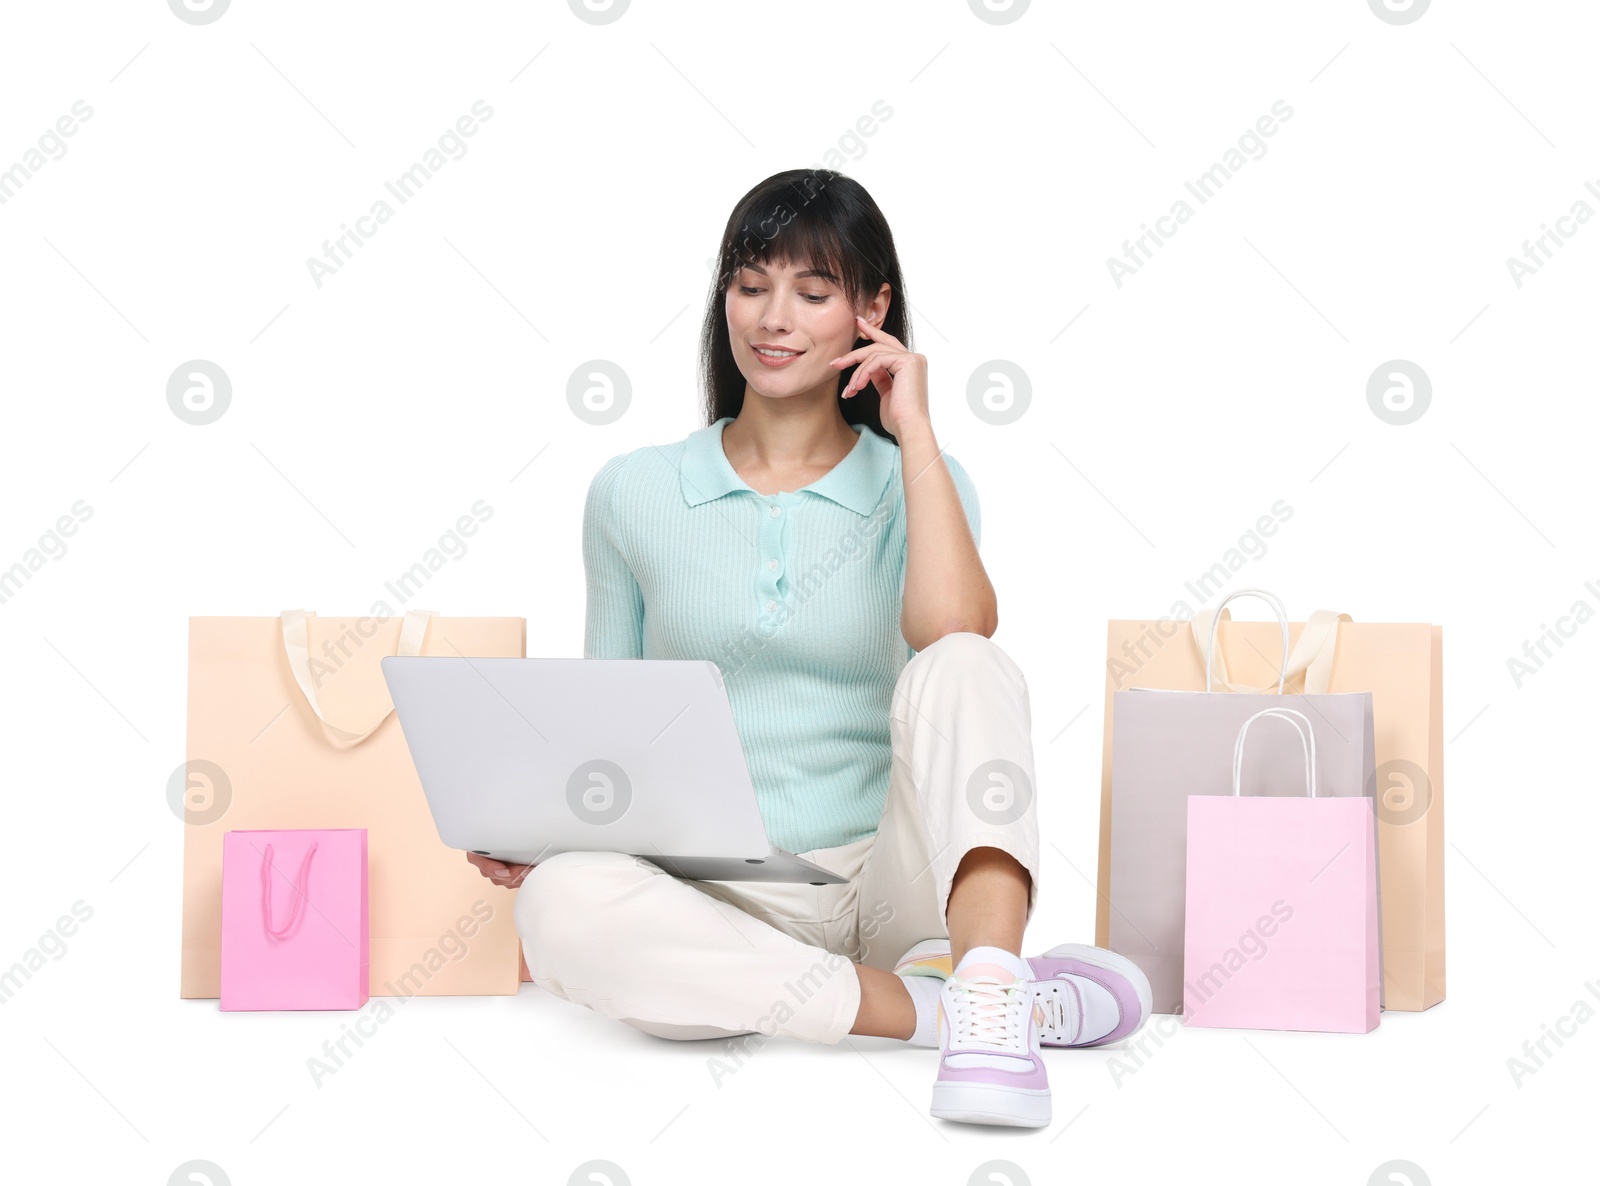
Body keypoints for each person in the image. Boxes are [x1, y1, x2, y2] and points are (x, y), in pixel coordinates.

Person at [469, 168, 1151, 1128]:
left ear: (872, 309)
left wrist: (912, 430)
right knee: (557, 906)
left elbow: (955, 632)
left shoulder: (924, 479)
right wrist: (543, 829)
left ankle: (985, 972)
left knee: (968, 661)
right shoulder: (634, 492)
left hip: (897, 888)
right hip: (716, 900)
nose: (773, 317)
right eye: (751, 285)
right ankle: (967, 1011)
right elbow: (608, 719)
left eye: (814, 292)